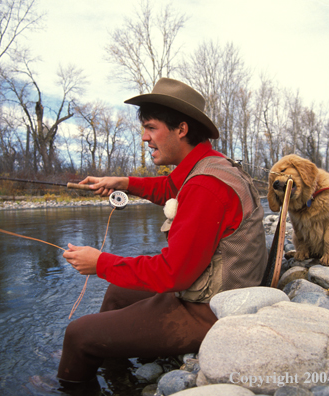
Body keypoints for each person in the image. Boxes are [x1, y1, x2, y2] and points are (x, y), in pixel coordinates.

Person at [58, 78, 268, 389]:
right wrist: (123, 182)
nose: (144, 138)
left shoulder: (205, 186)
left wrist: (100, 263)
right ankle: (116, 374)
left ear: (181, 129)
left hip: (211, 310)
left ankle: (75, 380)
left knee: (78, 335)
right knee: (117, 293)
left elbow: (173, 275)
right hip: (221, 289)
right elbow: (169, 187)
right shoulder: (210, 165)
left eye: (151, 127)